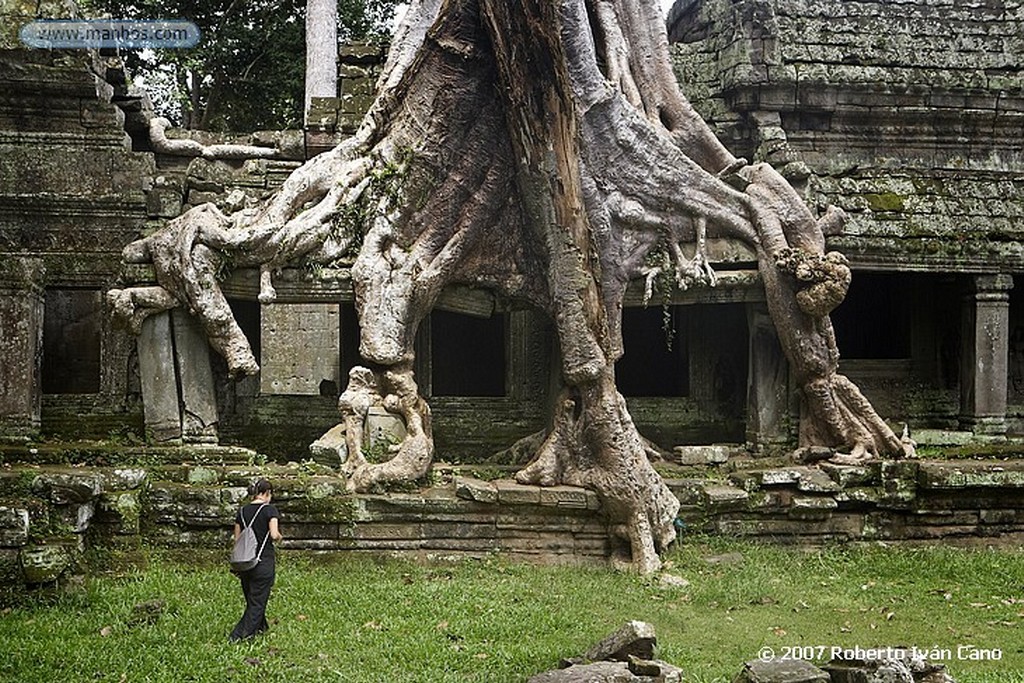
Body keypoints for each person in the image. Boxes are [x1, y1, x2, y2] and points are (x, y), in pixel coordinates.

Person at [229, 478, 282, 642]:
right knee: (257, 602)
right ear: (267, 493)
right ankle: (239, 636)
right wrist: (280, 536)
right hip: (262, 561)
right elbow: (274, 535)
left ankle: (261, 627)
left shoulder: (243, 511)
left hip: (244, 562)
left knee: (253, 598)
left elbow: (236, 539)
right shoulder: (270, 510)